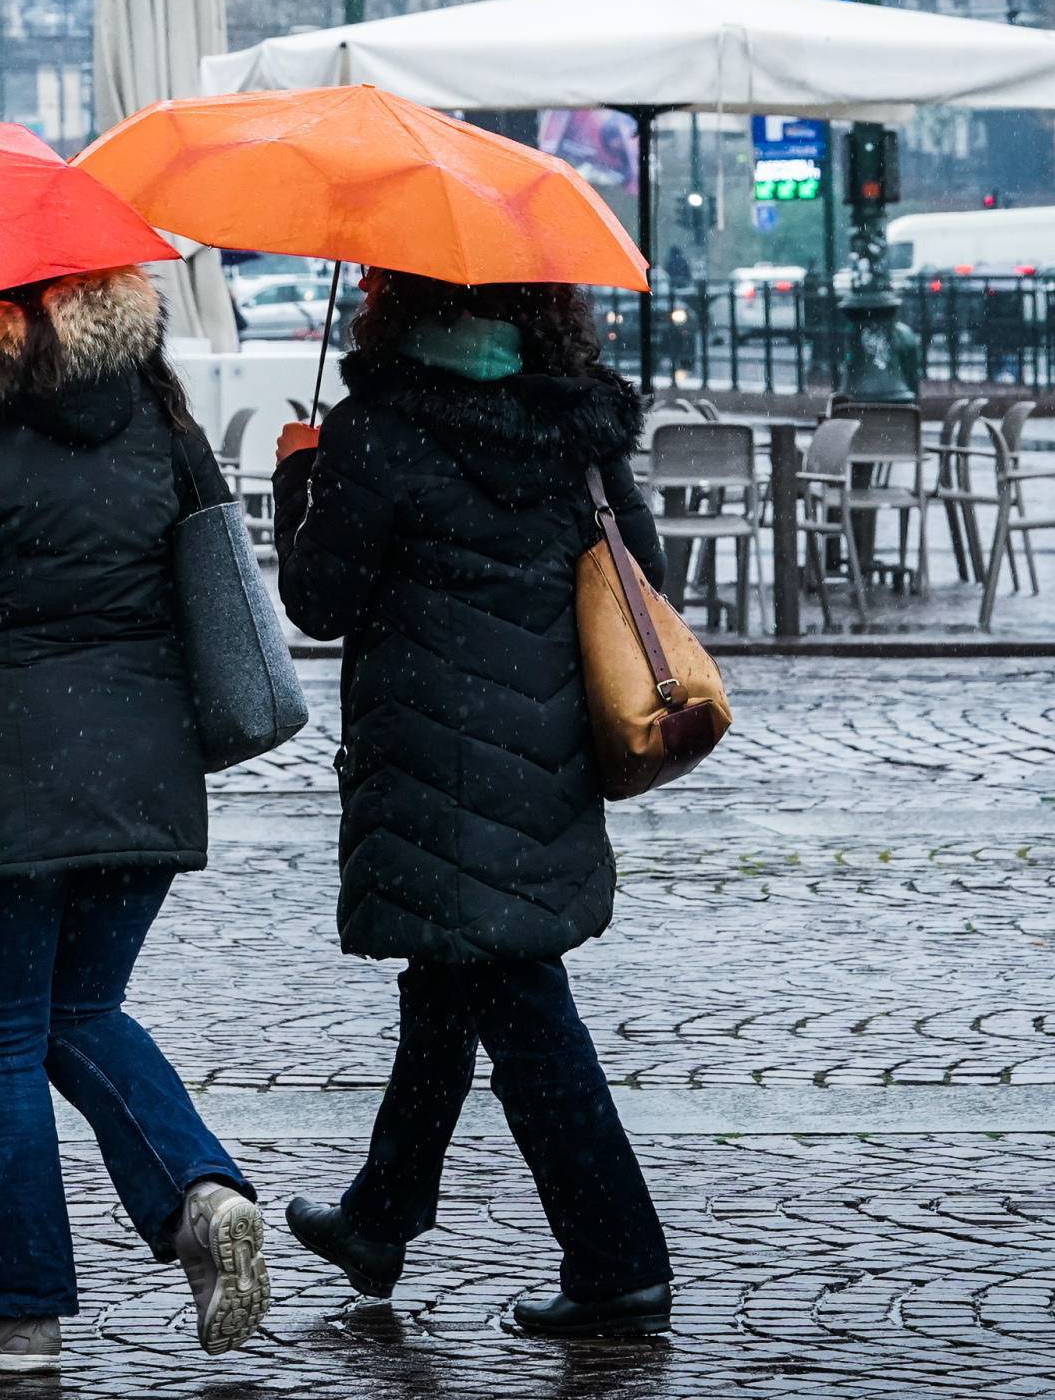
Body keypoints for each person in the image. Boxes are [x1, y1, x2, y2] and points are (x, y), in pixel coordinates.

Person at [0, 265, 269, 1375]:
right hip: (142, 766)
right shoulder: (152, 406)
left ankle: (14, 1302)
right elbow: (204, 563)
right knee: (80, 1005)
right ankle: (197, 1189)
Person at [267, 269, 675, 1338]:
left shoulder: (380, 427)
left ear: (396, 303)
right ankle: (380, 1214)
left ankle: (619, 1259)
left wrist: (297, 481)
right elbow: (647, 566)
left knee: (521, 1004)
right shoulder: (571, 419)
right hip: (540, 753)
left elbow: (319, 597)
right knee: (453, 981)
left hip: (428, 760)